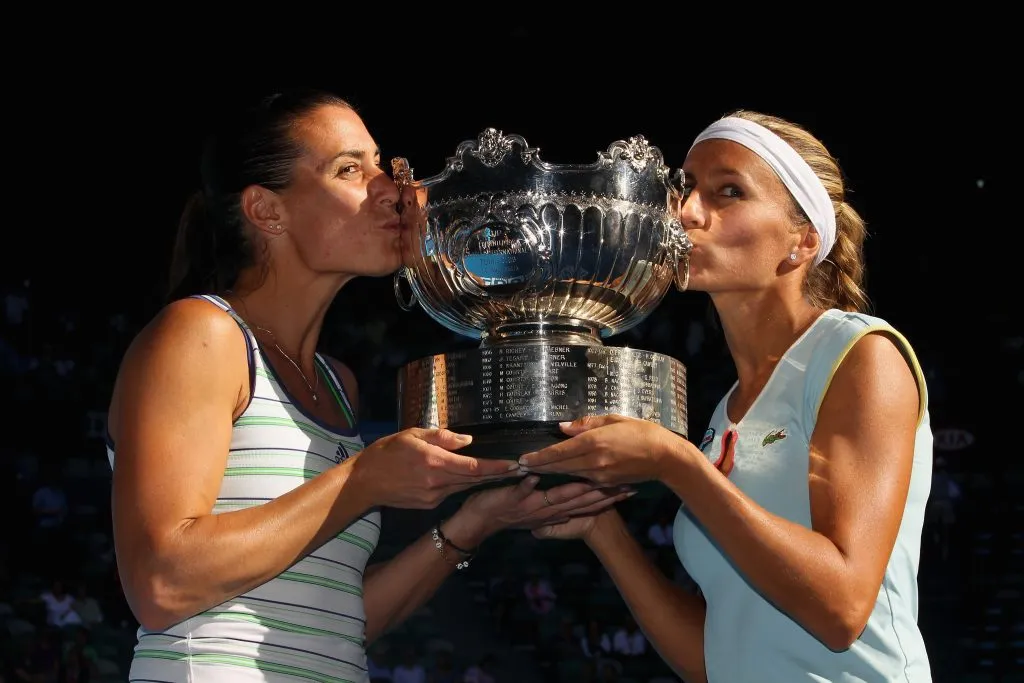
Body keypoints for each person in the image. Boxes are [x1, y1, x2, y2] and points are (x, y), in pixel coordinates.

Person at [106, 87, 632, 682]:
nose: (390, 189)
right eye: (349, 169)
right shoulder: (201, 334)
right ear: (266, 210)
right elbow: (161, 582)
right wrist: (361, 481)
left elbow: (337, 623)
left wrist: (473, 523)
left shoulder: (336, 384)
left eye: (380, 165)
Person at [519, 110, 934, 682]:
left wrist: (678, 463)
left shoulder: (860, 353)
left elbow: (841, 609)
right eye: (685, 190)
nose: (686, 212)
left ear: (802, 240)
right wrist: (603, 531)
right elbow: (717, 662)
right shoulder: (731, 406)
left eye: (729, 192)